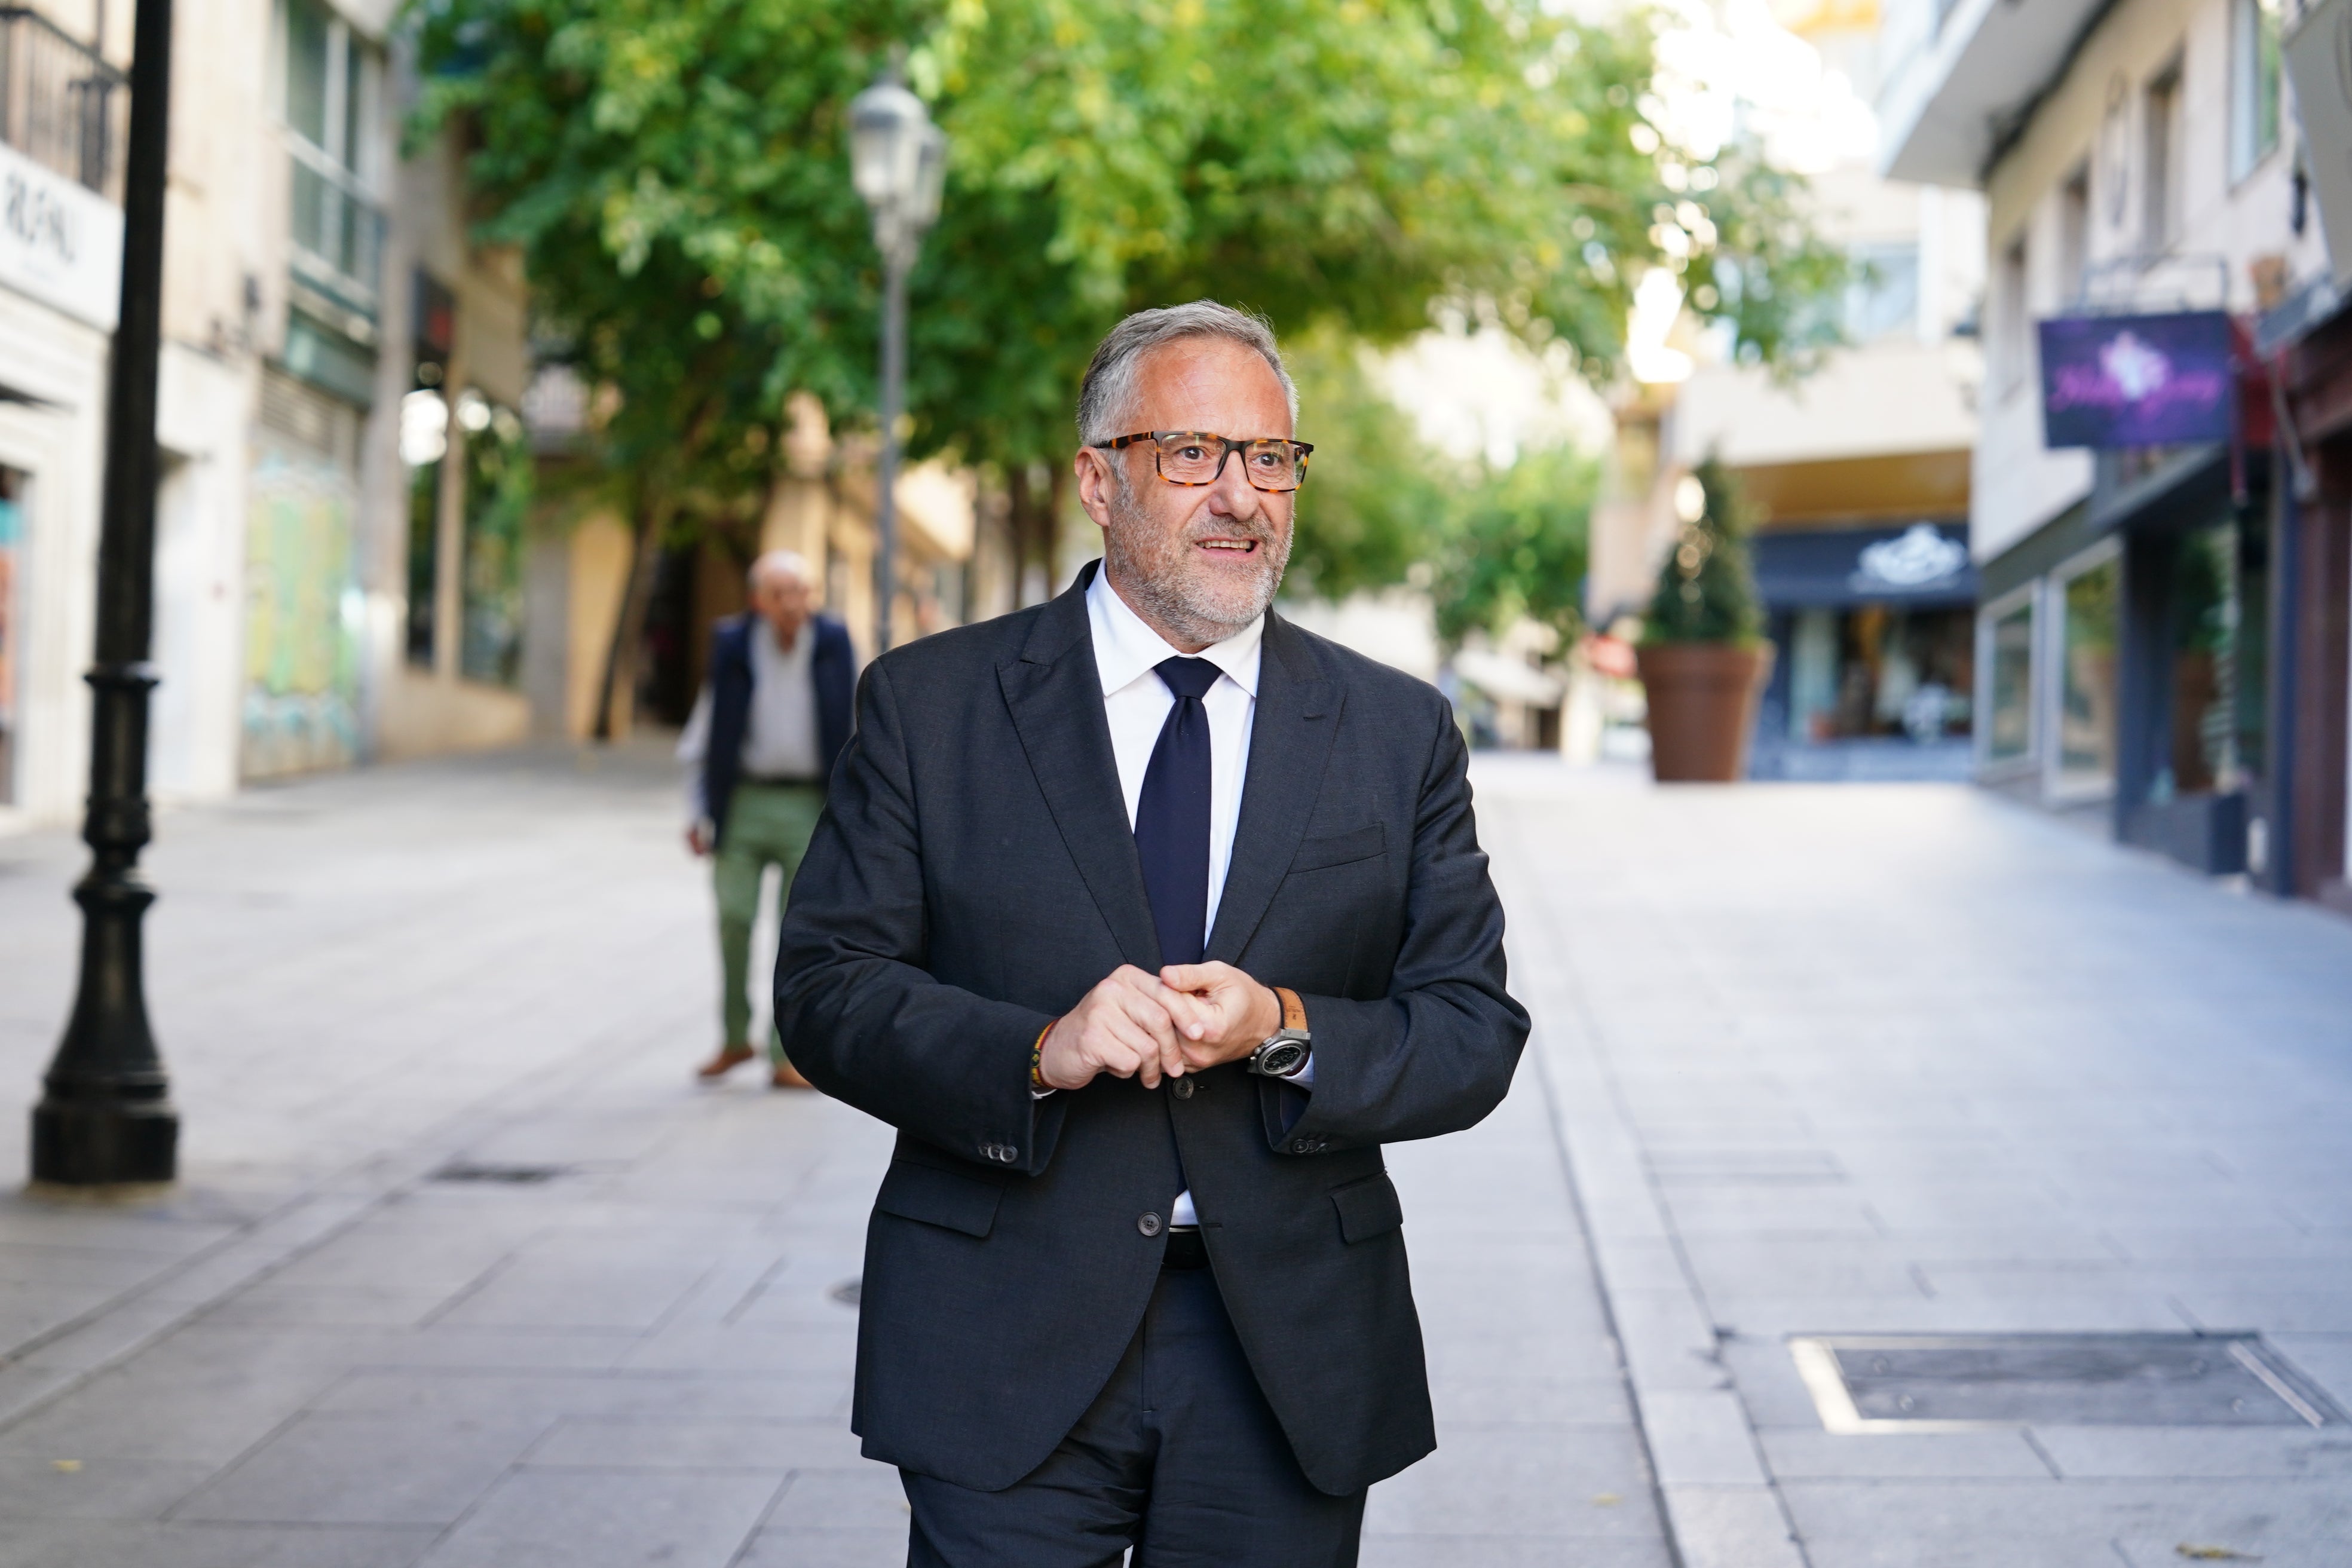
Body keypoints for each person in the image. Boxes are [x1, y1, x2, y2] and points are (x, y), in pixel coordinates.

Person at [776, 301, 1527, 1567]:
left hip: (1282, 1350)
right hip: (999, 1331)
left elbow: (1471, 1029)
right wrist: (1035, 1049)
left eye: (1271, 459)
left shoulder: (1396, 734)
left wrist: (1286, 1029)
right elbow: (827, 990)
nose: (1241, 496)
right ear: (1098, 480)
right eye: (1193, 454)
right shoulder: (931, 706)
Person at [679, 550, 854, 1089]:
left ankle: (787, 1053)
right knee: (733, 918)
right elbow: (706, 731)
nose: (792, 604)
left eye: (801, 592)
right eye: (780, 593)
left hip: (808, 803)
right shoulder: (733, 644)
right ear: (758, 600)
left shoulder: (833, 642)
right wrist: (696, 809)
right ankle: (735, 1038)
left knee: (798, 932)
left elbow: (856, 721)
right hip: (743, 803)